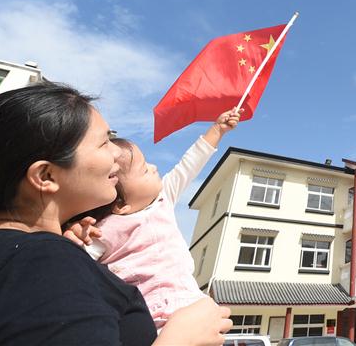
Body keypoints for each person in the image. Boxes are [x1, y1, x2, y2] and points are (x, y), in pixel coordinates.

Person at [0, 82, 233, 346]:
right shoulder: (38, 265)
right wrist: (183, 336)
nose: (116, 153)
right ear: (46, 176)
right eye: (104, 142)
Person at [73, 109, 241, 328]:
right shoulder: (104, 229)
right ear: (121, 205)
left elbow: (189, 164)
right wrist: (77, 239)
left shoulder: (163, 200)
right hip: (148, 315)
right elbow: (76, 266)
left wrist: (217, 130)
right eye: (144, 170)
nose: (154, 168)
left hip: (189, 300)